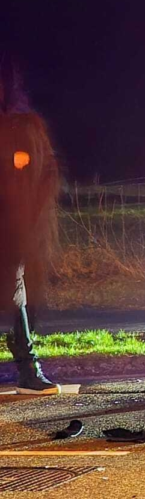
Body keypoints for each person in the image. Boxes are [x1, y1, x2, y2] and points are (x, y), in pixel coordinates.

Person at [0, 56, 60, 394]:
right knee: (15, 293)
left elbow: (43, 176)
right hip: (13, 228)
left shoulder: (22, 127)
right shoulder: (21, 125)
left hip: (12, 229)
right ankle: (27, 368)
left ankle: (28, 368)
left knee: (16, 293)